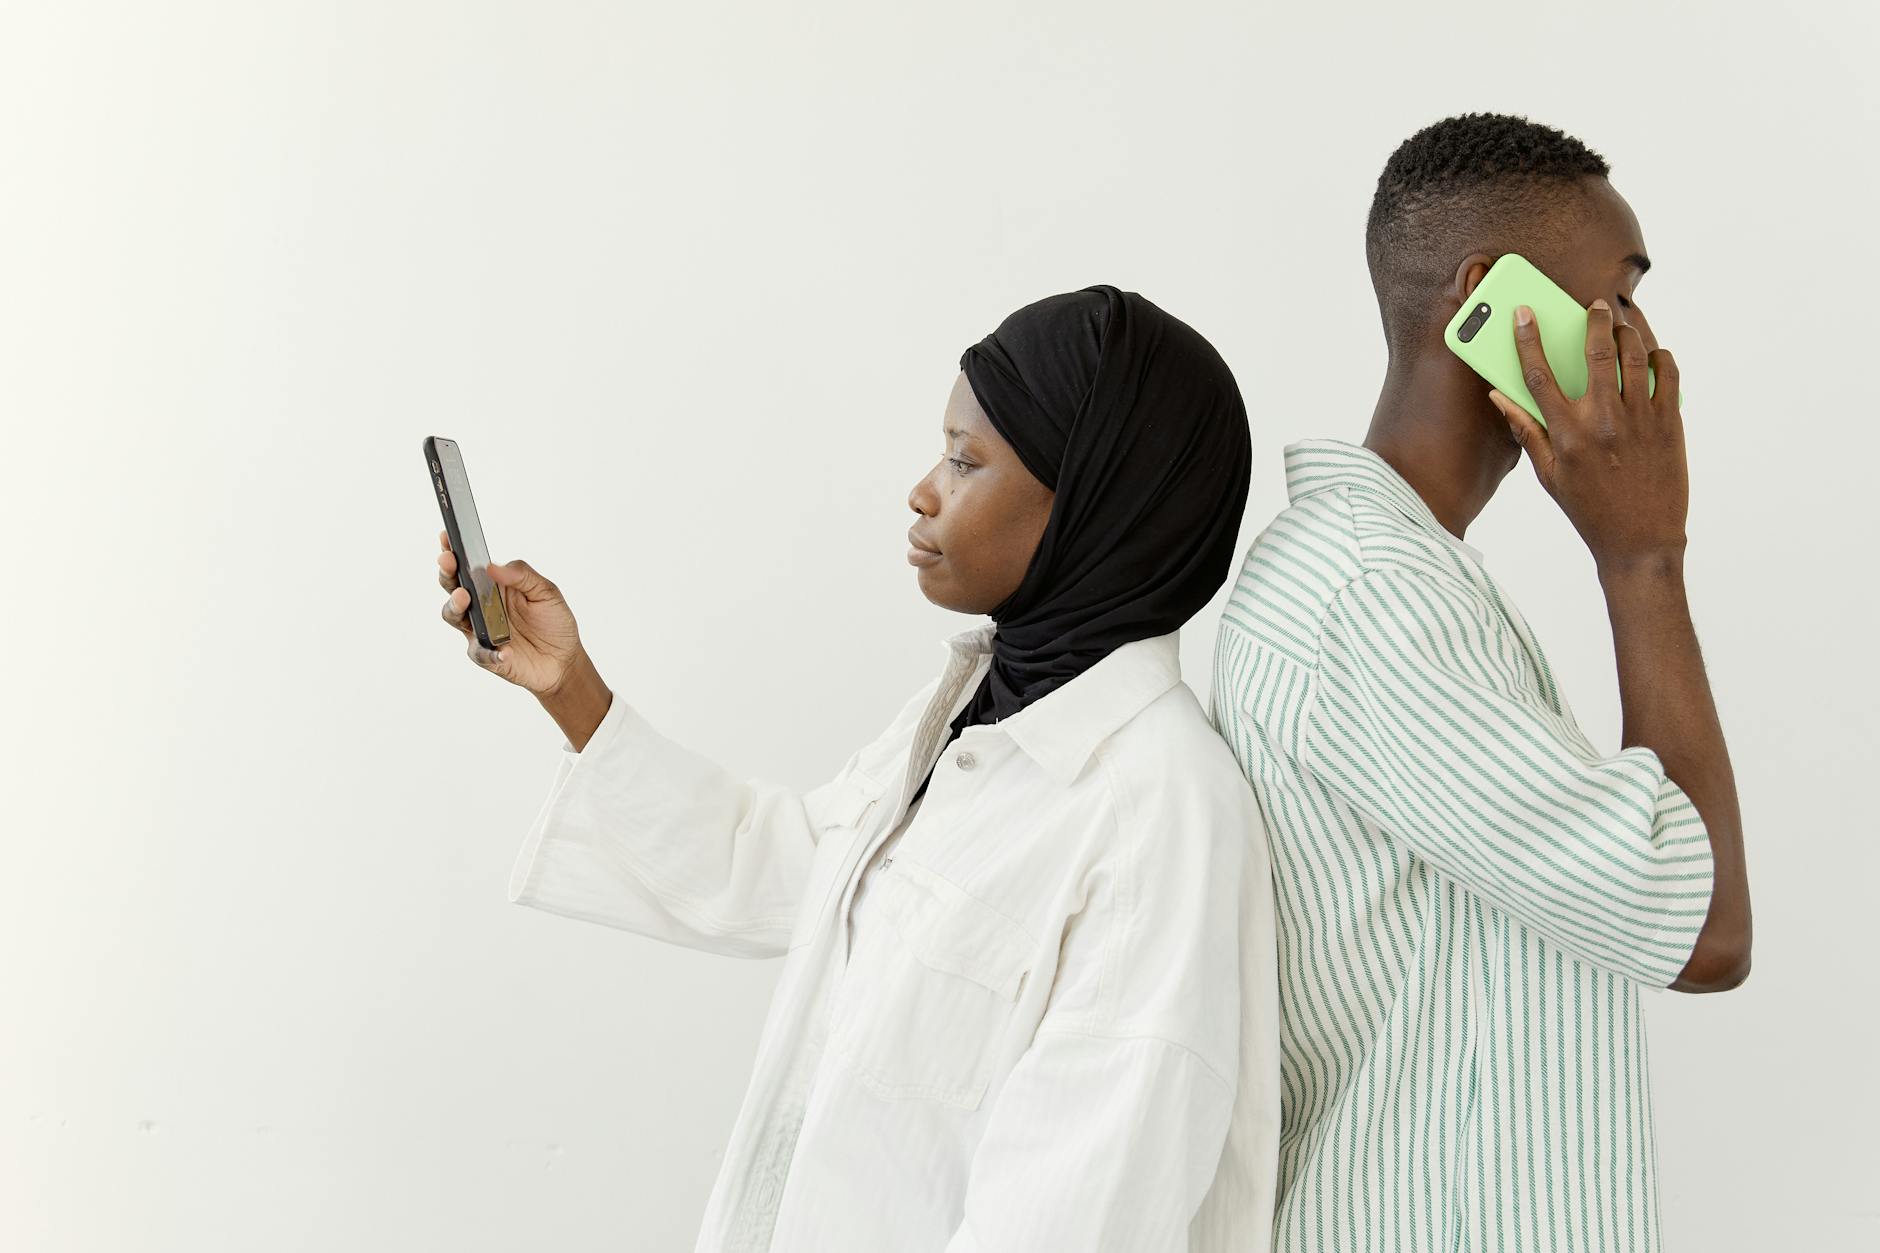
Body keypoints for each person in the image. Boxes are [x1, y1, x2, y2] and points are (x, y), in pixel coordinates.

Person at [433, 285, 1280, 1252]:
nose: (923, 489)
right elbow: (789, 867)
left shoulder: (1160, 814)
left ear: (1093, 501)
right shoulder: (975, 709)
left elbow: (1079, 1220)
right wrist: (568, 686)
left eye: (966, 462)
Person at [1208, 114, 1752, 1251]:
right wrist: (1641, 554)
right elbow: (1702, 928)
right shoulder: (1372, 595)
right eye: (1615, 294)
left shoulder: (1388, 574)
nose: (1640, 339)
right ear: (1487, 300)